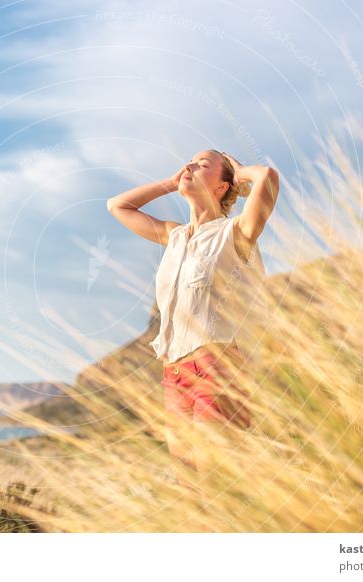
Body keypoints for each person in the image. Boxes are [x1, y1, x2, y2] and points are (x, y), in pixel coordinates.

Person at [106, 149, 279, 500]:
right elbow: (117, 205)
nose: (189, 166)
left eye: (202, 165)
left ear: (222, 187)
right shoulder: (175, 236)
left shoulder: (236, 233)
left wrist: (242, 171)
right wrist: (172, 183)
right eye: (189, 161)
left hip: (219, 368)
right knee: (191, 490)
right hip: (174, 374)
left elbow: (268, 178)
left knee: (218, 483)